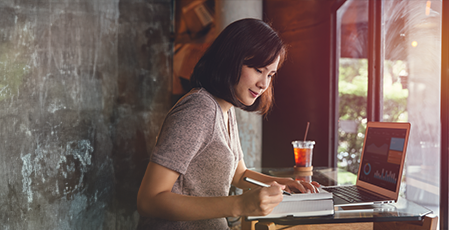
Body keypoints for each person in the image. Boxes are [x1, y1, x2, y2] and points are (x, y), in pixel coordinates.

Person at [135, 18, 319, 229]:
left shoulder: (225, 108)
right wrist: (239, 204)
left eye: (270, 74)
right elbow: (149, 200)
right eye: (259, 70)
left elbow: (238, 174)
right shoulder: (198, 110)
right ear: (231, 59)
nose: (264, 84)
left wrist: (282, 185)